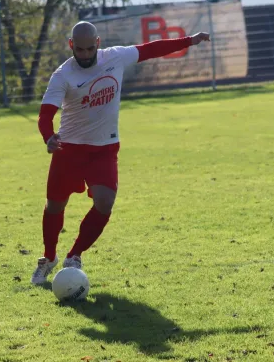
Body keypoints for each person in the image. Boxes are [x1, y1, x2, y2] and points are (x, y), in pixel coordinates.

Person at [31, 21, 210, 284]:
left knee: (104, 203)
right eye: (79, 50)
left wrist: (189, 41)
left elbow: (150, 49)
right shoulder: (62, 75)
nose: (84, 55)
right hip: (68, 149)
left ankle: (74, 255)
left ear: (98, 43)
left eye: (89, 49)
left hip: (103, 149)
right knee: (55, 206)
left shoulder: (114, 57)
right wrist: (49, 138)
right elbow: (45, 116)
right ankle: (48, 258)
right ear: (71, 45)